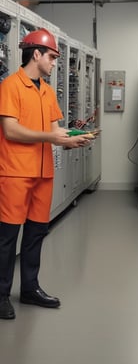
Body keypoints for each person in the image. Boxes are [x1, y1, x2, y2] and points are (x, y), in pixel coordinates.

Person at [0, 28, 92, 320]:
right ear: (35, 54)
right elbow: (10, 130)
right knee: (7, 238)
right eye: (52, 57)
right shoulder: (10, 86)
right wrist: (54, 138)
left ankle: (30, 288)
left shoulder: (47, 90)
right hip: (15, 172)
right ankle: (1, 295)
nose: (54, 63)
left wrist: (72, 139)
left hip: (43, 174)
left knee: (36, 234)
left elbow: (54, 132)